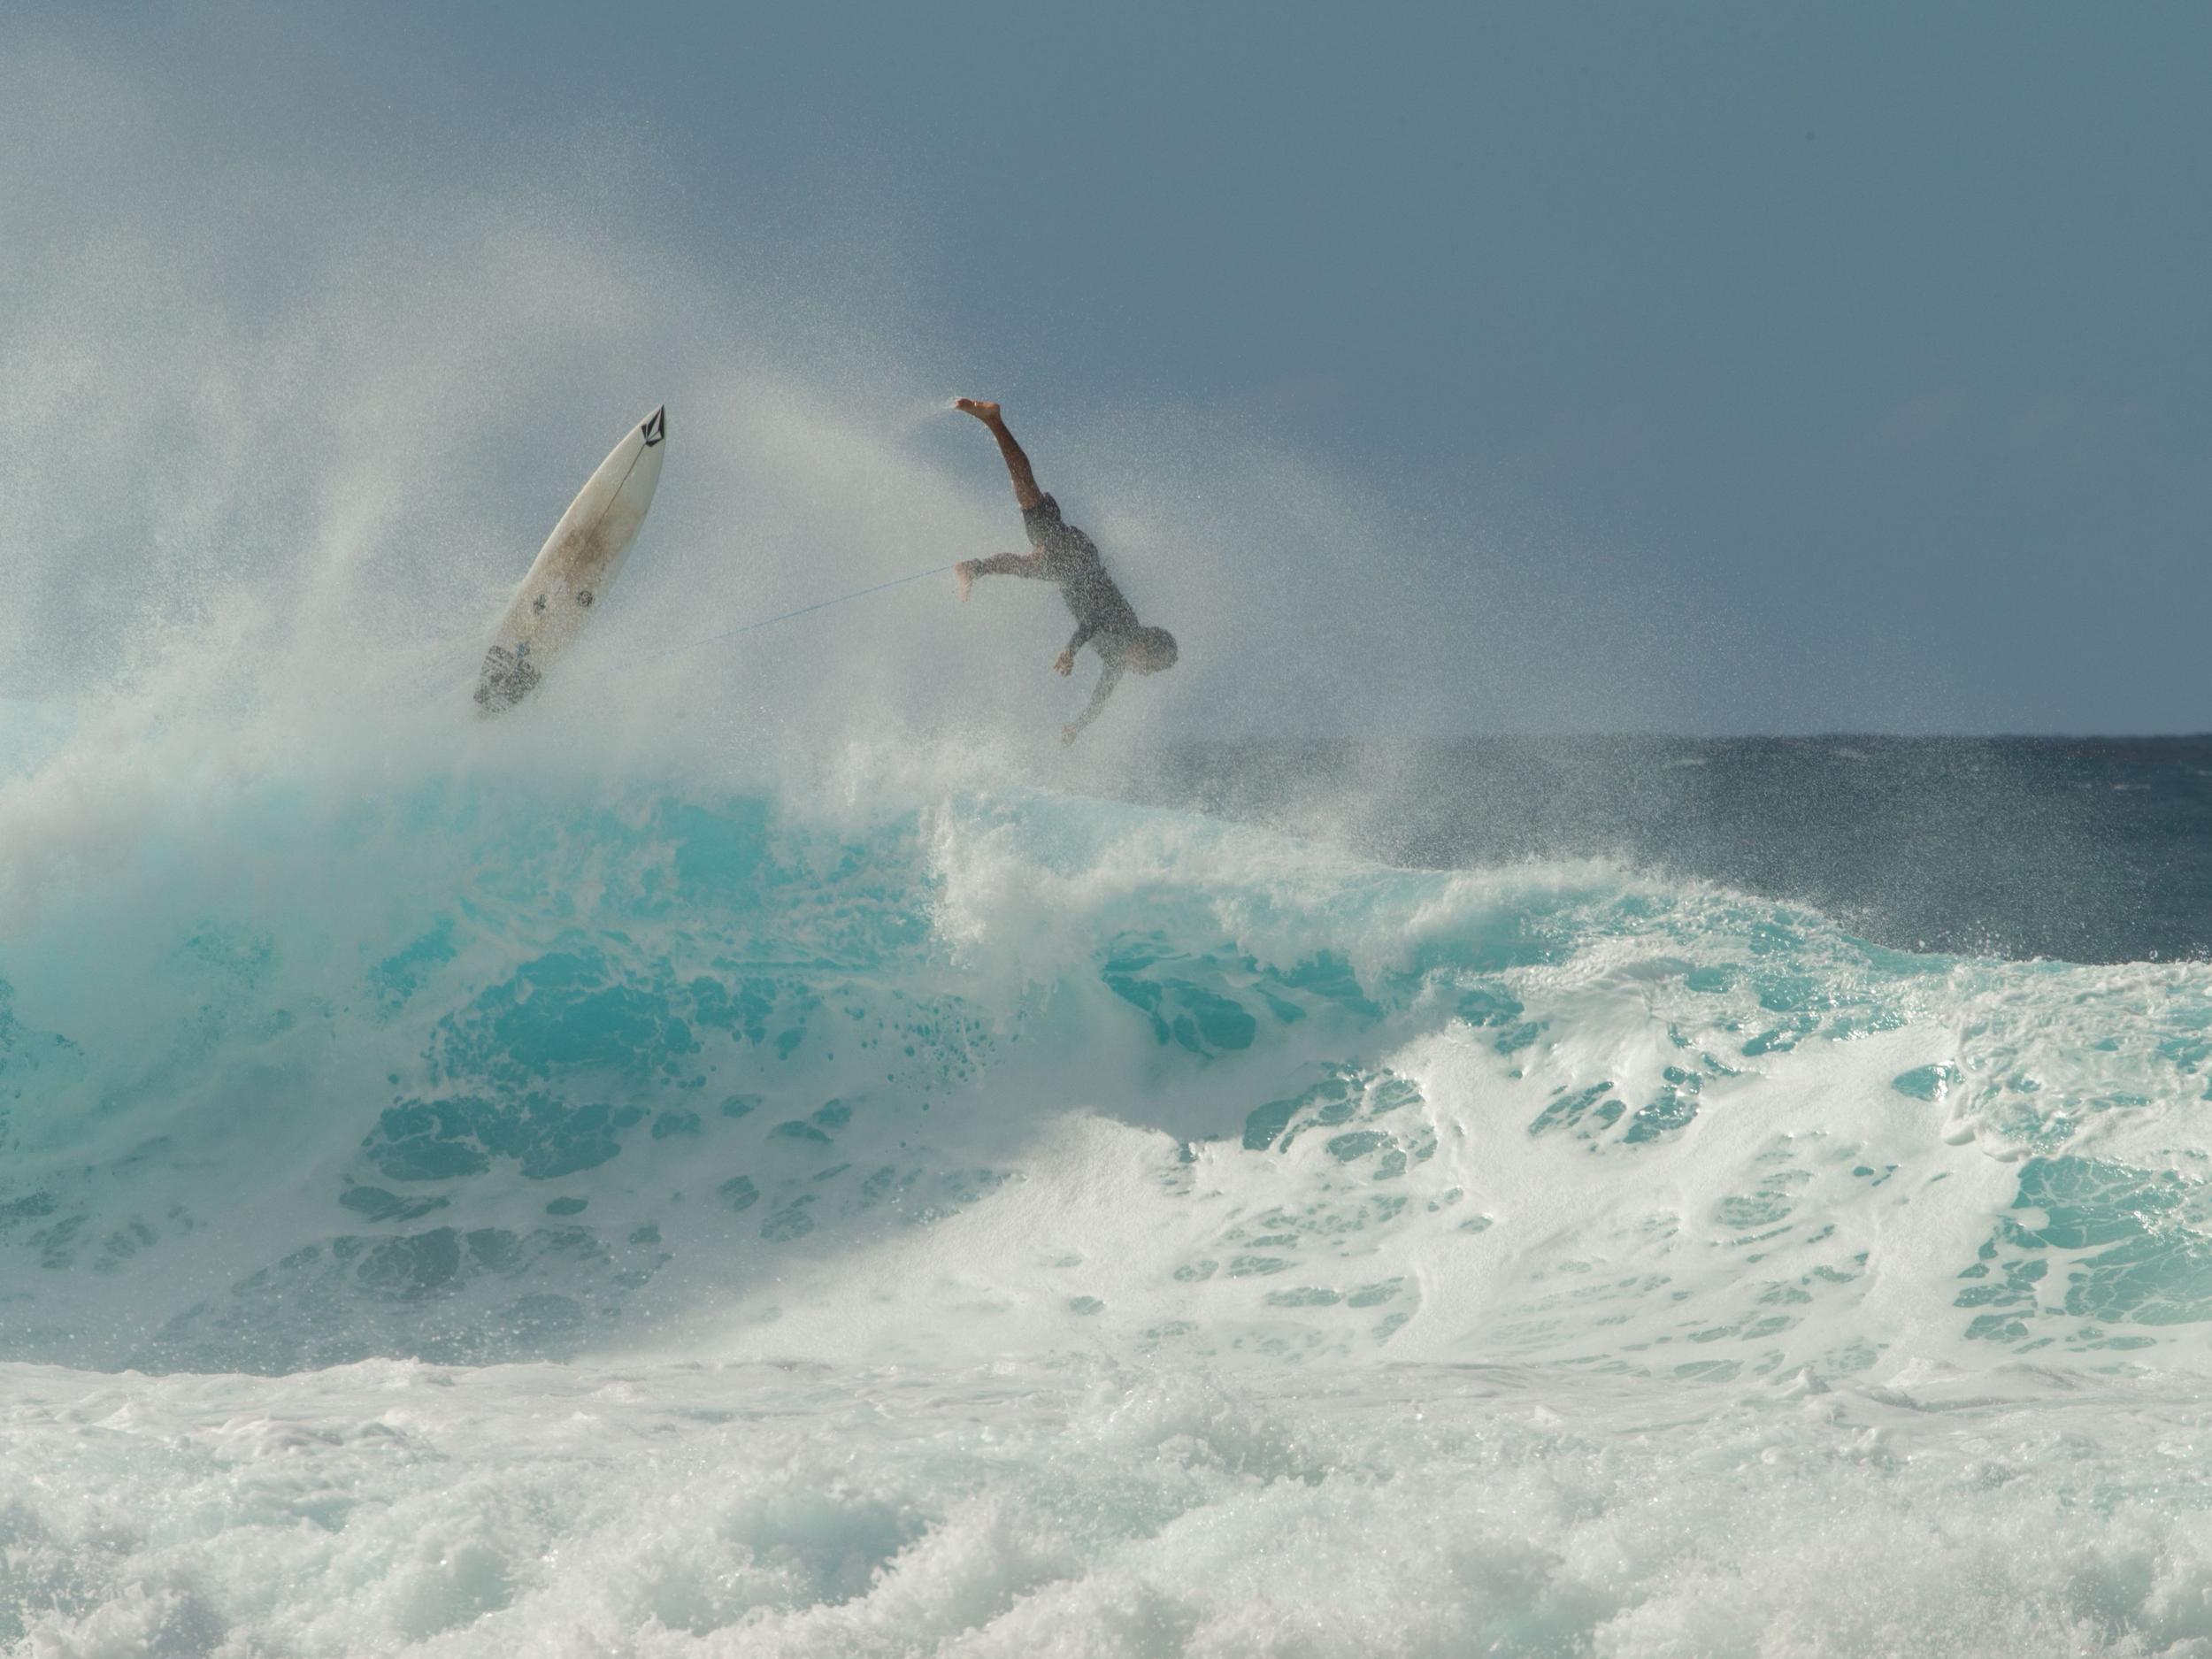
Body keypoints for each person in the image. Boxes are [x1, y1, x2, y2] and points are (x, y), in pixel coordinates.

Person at [952, 399, 1177, 743]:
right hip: (1078, 562)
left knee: (1030, 561)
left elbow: (1100, 697)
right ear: (1146, 646)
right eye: (1152, 666)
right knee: (1028, 498)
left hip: (1070, 568)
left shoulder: (1116, 660)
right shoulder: (1126, 625)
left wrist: (1077, 726)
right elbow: (1092, 623)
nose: (1145, 673)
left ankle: (974, 568)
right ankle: (994, 421)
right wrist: (1071, 650)